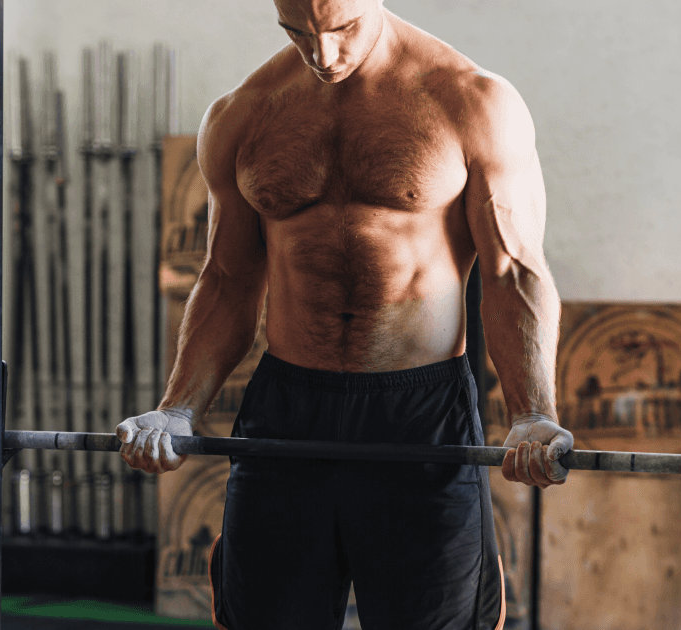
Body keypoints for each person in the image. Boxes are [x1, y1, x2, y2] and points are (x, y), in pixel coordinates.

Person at [116, 0, 572, 627]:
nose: (323, 56)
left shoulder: (471, 100)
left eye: (343, 30)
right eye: (297, 33)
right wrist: (177, 409)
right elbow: (227, 279)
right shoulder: (243, 114)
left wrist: (533, 414)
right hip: (288, 409)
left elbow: (512, 272)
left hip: (418, 415)